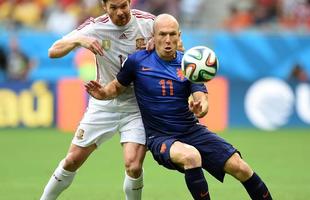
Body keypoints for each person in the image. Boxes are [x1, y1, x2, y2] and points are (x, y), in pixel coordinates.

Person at [85, 14, 273, 200]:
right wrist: (102, 93)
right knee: (191, 157)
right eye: (163, 34)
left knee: (240, 167)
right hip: (159, 137)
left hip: (191, 130)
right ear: (154, 36)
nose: (168, 40)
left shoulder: (189, 63)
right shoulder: (137, 61)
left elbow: (202, 98)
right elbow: (116, 87)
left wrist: (201, 106)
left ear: (179, 35)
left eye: (172, 34)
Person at [40, 0, 154, 199]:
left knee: (133, 166)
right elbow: (53, 51)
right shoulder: (94, 26)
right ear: (104, 7)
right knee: (72, 160)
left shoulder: (149, 23)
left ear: (129, 3)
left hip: (136, 106)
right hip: (104, 105)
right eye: (113, 8)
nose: (120, 12)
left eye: (123, 6)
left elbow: (177, 44)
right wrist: (79, 41)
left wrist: (160, 44)